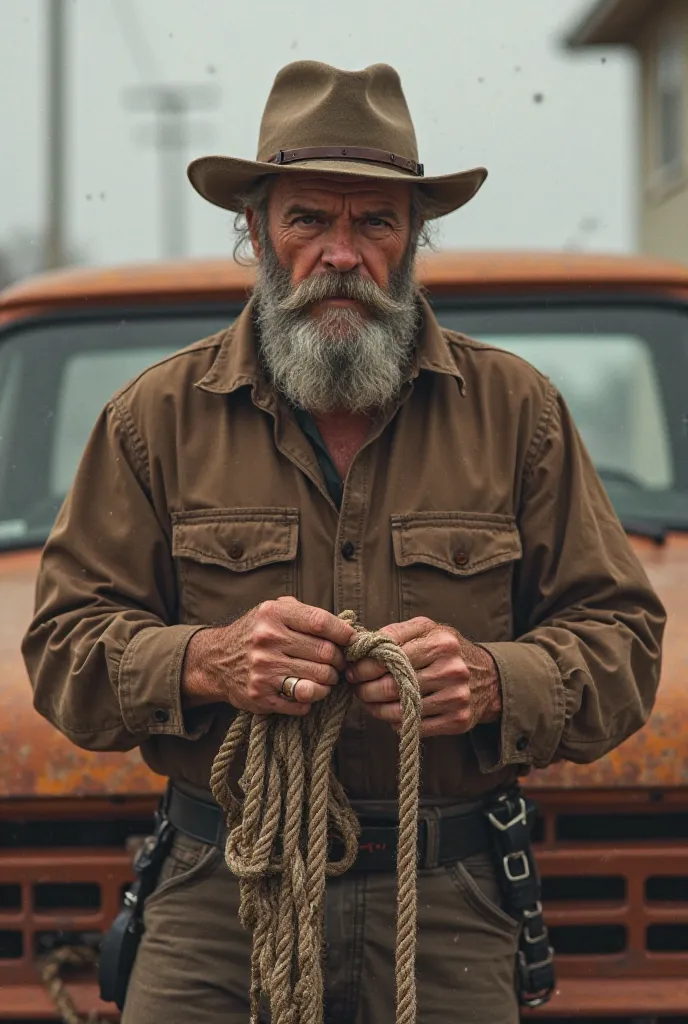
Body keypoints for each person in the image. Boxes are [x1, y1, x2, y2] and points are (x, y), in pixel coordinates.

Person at [22, 60, 665, 1024]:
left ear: (412, 239)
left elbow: (627, 643)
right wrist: (207, 660)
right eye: (308, 219)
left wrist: (494, 680)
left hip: (446, 900)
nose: (340, 252)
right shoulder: (152, 419)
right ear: (256, 231)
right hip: (218, 897)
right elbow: (62, 649)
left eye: (374, 222)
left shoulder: (517, 414)